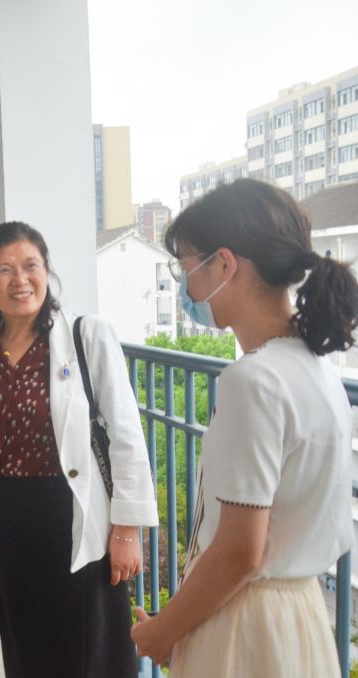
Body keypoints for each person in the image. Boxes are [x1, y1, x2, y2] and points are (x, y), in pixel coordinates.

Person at [131, 179, 357, 677]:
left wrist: (162, 631)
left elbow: (239, 552)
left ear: (224, 265)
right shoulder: (317, 368)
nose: (186, 287)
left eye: (186, 266)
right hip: (299, 616)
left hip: (245, 623)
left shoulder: (252, 380)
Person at [0, 222, 158, 678]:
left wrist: (126, 530)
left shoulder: (85, 335)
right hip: (8, 516)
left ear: (47, 269)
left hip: (73, 511)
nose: (20, 280)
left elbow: (126, 433)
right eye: (3, 270)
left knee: (88, 648)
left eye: (30, 265)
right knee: (26, 644)